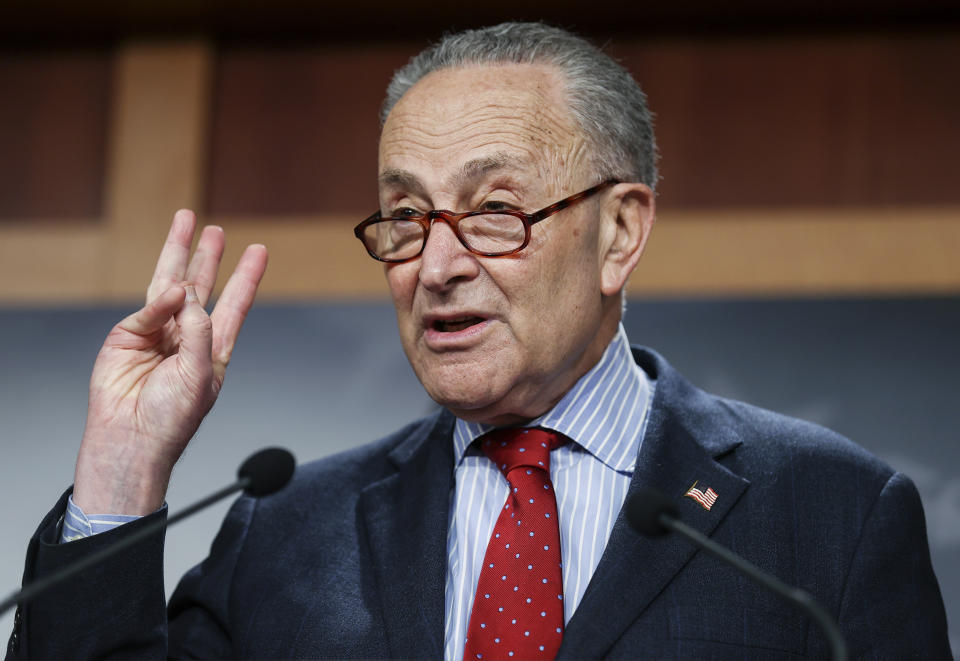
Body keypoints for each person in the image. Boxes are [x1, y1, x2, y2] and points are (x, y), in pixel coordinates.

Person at [6, 22, 951, 661]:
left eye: (496, 210)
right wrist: (122, 470)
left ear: (619, 233)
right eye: (405, 216)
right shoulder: (286, 531)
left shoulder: (832, 514)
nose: (437, 264)